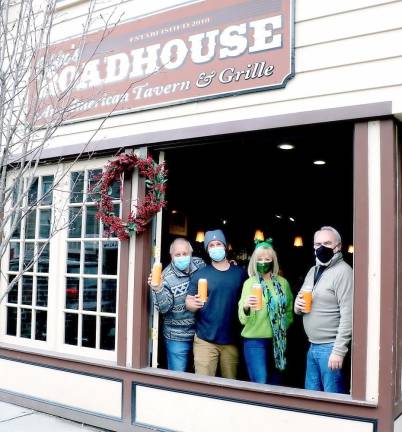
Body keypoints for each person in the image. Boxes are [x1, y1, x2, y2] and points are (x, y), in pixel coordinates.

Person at [294, 226, 353, 393]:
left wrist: (339, 351)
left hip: (330, 348)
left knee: (333, 400)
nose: (322, 247)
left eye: (327, 243)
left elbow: (348, 315)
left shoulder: (344, 272)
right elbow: (300, 301)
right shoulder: (313, 270)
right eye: (317, 243)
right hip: (312, 346)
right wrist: (297, 307)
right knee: (312, 397)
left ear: (338, 246)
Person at [186, 229, 247, 379]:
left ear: (225, 246)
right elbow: (188, 302)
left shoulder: (240, 273)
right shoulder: (200, 274)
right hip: (204, 339)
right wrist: (192, 304)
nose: (215, 248)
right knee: (203, 385)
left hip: (231, 340)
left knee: (231, 386)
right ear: (207, 249)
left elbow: (245, 302)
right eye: (211, 245)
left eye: (218, 244)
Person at [238, 240, 294, 384]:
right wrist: (246, 307)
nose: (263, 262)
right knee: (260, 382)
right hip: (254, 341)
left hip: (278, 341)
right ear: (254, 262)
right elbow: (242, 319)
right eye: (260, 259)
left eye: (267, 259)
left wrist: (281, 326)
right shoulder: (249, 283)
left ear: (273, 261)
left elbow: (289, 311)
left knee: (276, 385)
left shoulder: (283, 283)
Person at [149, 238, 205, 372]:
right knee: (178, 376)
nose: (182, 257)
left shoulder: (200, 264)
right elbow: (163, 309)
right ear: (171, 256)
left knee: (202, 376)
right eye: (177, 255)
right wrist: (158, 289)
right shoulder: (165, 277)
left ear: (191, 254)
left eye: (185, 254)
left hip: (202, 334)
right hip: (177, 336)